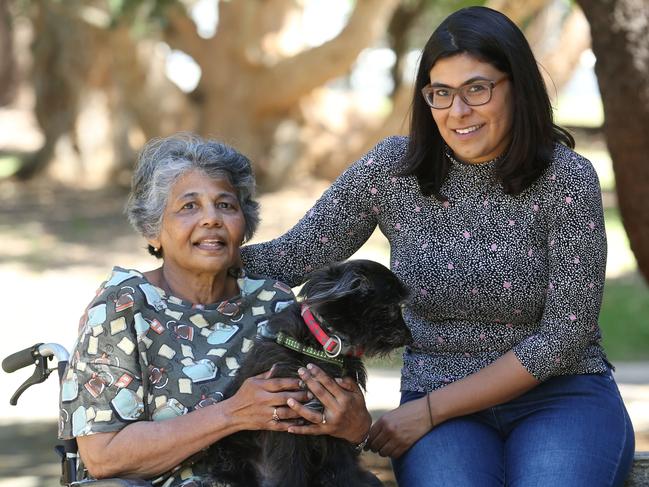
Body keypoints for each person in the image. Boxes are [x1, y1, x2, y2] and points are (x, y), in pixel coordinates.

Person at [241, 6, 635, 486]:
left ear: (518, 85)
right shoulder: (393, 170)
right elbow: (289, 258)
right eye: (440, 93)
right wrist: (180, 251)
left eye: (477, 88)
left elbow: (563, 338)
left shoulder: (566, 179)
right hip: (442, 404)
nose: (458, 111)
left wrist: (425, 412)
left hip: (560, 396)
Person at [58, 134, 371, 486]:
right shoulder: (123, 308)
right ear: (153, 230)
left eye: (226, 205)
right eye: (189, 206)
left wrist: (355, 425)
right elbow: (103, 456)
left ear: (244, 223)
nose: (211, 219)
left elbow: (326, 428)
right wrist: (232, 414)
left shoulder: (276, 303)